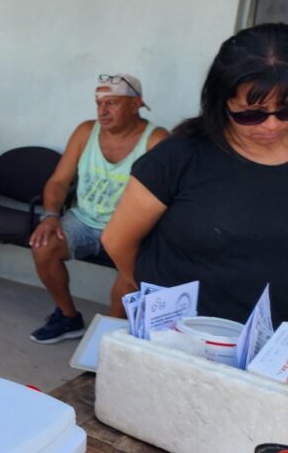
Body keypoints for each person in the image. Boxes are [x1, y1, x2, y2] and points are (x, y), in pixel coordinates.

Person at [103, 24, 288, 325]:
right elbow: (117, 240)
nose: (272, 126)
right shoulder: (180, 155)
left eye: (285, 111)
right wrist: (156, 297)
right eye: (251, 114)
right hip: (181, 337)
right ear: (221, 100)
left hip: (274, 350)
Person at [28, 74, 168, 343]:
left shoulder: (156, 140)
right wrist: (50, 216)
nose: (102, 111)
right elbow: (58, 181)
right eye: (99, 104)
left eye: (112, 103)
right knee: (43, 246)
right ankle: (69, 318)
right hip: (84, 219)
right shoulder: (86, 131)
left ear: (135, 104)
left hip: (129, 227)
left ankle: (110, 340)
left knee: (127, 282)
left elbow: (164, 197)